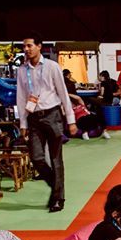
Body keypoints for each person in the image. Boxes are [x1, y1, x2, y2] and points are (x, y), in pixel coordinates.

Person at [15, 32, 78, 214]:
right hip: (33, 117)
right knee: (36, 158)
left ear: (39, 46)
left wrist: (71, 120)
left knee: (56, 158)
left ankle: (58, 198)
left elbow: (63, 93)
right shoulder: (22, 70)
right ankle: (57, 187)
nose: (26, 49)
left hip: (53, 114)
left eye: (29, 45)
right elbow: (21, 97)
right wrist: (23, 123)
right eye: (24, 46)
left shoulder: (52, 66)